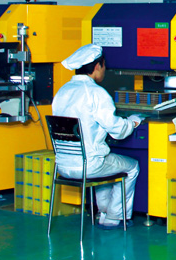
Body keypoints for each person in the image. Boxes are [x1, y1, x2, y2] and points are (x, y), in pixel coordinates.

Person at [52, 44, 143, 230]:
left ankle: (103, 213)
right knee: (132, 167)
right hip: (89, 166)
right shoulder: (96, 93)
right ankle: (115, 217)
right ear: (97, 66)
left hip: (62, 165)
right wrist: (132, 122)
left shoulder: (62, 91)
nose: (105, 70)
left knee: (106, 164)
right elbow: (117, 130)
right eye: (104, 65)